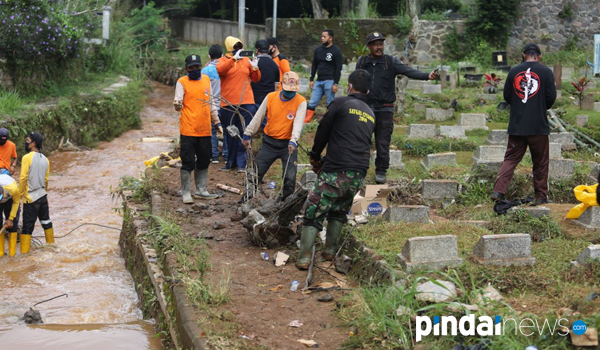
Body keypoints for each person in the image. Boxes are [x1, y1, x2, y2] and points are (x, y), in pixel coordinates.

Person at [296, 69, 375, 270]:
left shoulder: (341, 103)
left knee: (314, 210)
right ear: (367, 91)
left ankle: (304, 257)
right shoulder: (370, 113)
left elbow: (324, 130)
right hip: (358, 173)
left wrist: (314, 155)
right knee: (339, 211)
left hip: (336, 169)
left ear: (349, 87)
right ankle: (329, 250)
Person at [356, 31, 438, 184]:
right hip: (365, 107)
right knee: (361, 141)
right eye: (375, 44)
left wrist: (427, 76)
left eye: (381, 44)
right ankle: (360, 170)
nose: (379, 47)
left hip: (384, 109)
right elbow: (355, 81)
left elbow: (409, 71)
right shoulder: (361, 62)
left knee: (382, 141)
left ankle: (381, 171)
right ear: (369, 46)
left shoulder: (390, 61)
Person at [491, 43, 557, 206]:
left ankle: (499, 191)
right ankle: (541, 195)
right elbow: (551, 97)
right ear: (539, 56)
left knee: (511, 159)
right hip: (538, 127)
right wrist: (541, 105)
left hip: (517, 125)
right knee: (540, 162)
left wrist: (521, 105)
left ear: (523, 54)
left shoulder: (513, 71)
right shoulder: (546, 72)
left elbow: (507, 96)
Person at [242, 71, 307, 201]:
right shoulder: (271, 97)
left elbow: (298, 123)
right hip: (269, 144)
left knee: (290, 177)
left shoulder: (301, 101)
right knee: (256, 172)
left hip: (287, 145)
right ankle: (247, 199)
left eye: (293, 90)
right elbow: (258, 117)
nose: (290, 93)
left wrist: (293, 141)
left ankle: (285, 204)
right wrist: (248, 133)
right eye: (288, 89)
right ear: (281, 85)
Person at [174, 54, 222, 204]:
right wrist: (177, 105)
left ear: (201, 67)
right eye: (191, 68)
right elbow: (178, 102)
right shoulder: (181, 82)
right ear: (186, 69)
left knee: (204, 160)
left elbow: (212, 103)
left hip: (205, 129)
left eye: (197, 67)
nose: (194, 70)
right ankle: (186, 192)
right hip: (188, 129)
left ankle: (201, 190)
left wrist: (217, 123)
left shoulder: (206, 80)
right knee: (187, 161)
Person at [217, 36, 262, 172]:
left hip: (246, 102)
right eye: (236, 47)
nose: (239, 50)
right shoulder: (223, 60)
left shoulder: (246, 61)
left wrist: (255, 68)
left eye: (240, 47)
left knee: (245, 133)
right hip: (228, 103)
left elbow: (256, 79)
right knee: (230, 134)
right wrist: (233, 59)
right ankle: (230, 163)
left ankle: (242, 164)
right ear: (230, 48)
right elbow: (221, 70)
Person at [19, 132, 52, 254]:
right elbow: (46, 180)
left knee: (27, 228)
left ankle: (24, 255)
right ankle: (51, 245)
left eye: (27, 140)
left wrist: (19, 195)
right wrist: (43, 191)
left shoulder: (27, 158)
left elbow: (23, 178)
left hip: (30, 198)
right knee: (46, 221)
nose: (26, 142)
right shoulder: (45, 159)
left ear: (33, 144)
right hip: (43, 196)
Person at [304, 29, 343, 123]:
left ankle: (331, 121)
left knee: (330, 103)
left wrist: (336, 84)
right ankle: (307, 120)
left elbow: (338, 68)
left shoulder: (336, 51)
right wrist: (311, 79)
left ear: (330, 38)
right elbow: (314, 65)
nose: (322, 38)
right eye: (321, 36)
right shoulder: (318, 50)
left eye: (324, 36)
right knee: (312, 102)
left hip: (330, 81)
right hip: (318, 81)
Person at [202, 44, 228, 164]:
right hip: (226, 105)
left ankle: (214, 156)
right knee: (227, 130)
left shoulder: (205, 71)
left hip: (211, 106)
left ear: (209, 56)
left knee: (212, 131)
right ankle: (227, 155)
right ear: (222, 55)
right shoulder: (227, 68)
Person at [251, 39, 280, 107]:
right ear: (268, 50)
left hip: (254, 99)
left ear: (257, 50)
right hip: (269, 100)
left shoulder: (253, 64)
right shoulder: (274, 65)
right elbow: (276, 86)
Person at [0, 173, 21, 257]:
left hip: (11, 201)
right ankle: (1, 253)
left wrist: (10, 218)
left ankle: (12, 254)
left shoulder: (13, 189)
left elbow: (16, 202)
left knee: (12, 226)